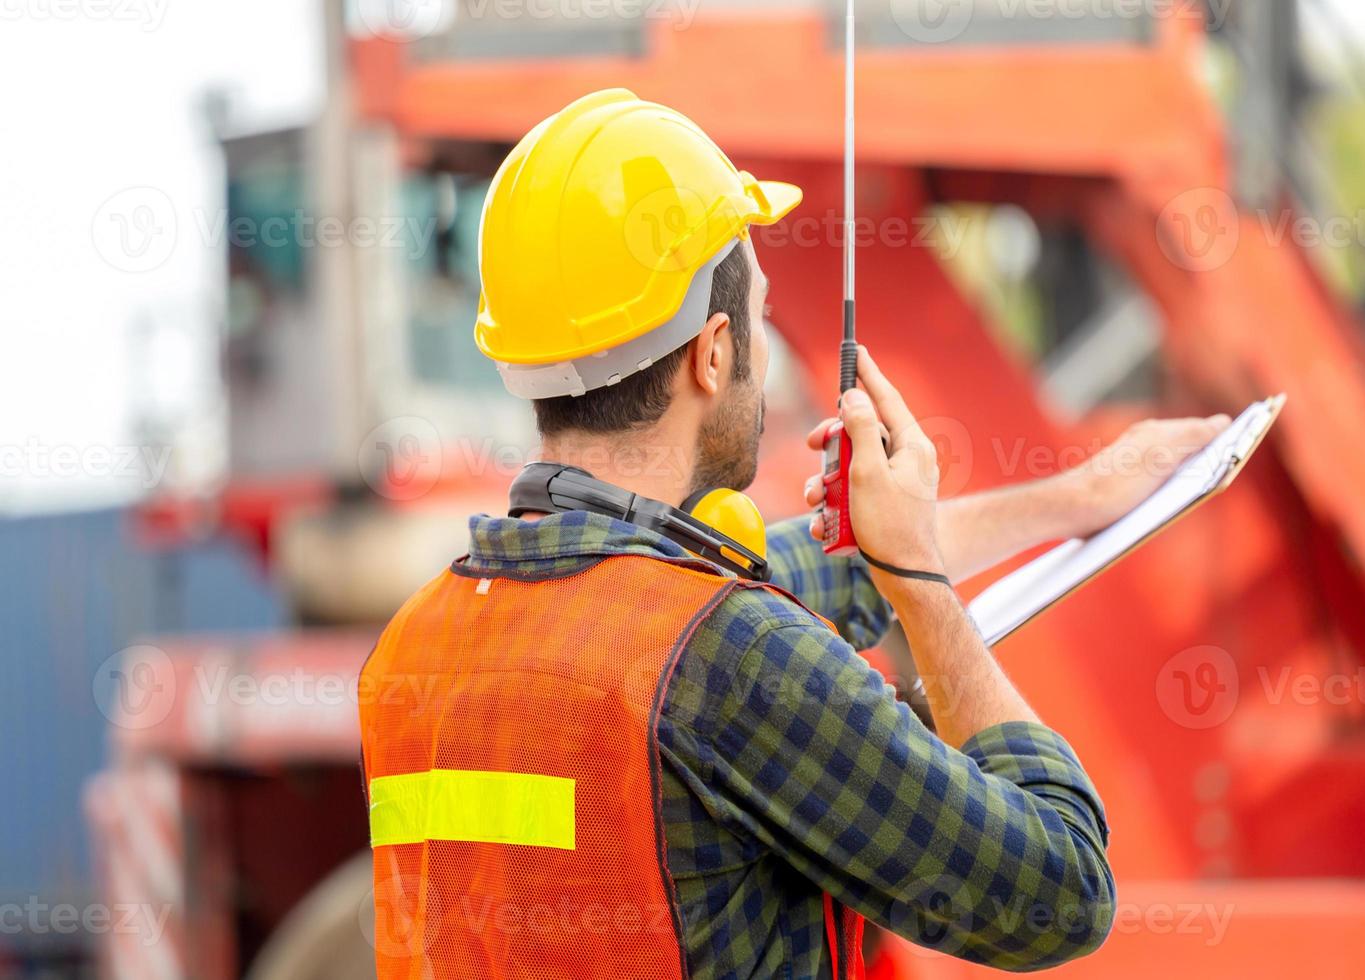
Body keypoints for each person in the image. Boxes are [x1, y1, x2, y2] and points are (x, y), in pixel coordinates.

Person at [358, 89, 1228, 979]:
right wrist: (923, 588)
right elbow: (1063, 892)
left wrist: (1077, 497)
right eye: (763, 321)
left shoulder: (415, 647)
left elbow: (795, 575)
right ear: (715, 352)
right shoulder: (730, 660)